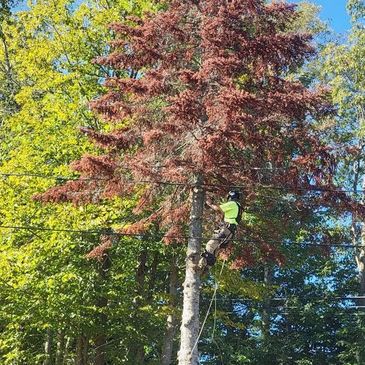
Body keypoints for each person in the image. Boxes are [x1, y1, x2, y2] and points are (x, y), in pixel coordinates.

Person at [199, 190, 243, 272]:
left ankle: (203, 263)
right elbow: (223, 213)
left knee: (210, 245)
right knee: (216, 249)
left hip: (227, 229)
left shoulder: (232, 203)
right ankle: (207, 267)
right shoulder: (238, 206)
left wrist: (210, 204)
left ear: (230, 197)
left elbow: (218, 208)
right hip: (231, 232)